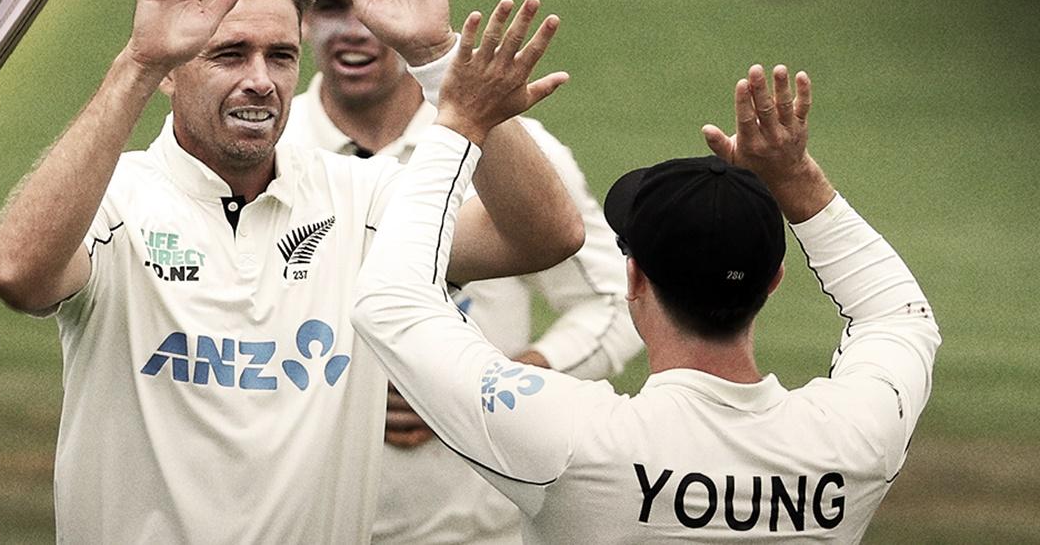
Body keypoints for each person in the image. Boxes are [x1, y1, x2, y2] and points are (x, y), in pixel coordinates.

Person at [0, 0, 584, 543]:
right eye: (228, 54)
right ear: (171, 69)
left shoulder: (362, 196)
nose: (260, 80)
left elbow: (544, 237)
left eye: (280, 56)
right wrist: (137, 63)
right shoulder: (117, 200)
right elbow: (17, 275)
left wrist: (435, 55)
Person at [352, 62, 941, 542]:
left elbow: (393, 304)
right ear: (774, 281)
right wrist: (797, 180)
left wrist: (459, 120)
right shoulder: (857, 437)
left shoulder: (571, 438)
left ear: (634, 279)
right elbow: (897, 315)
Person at [282, 0, 644, 543]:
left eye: (375, 1)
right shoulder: (267, 158)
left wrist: (492, 386)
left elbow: (616, 300)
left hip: (476, 530)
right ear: (305, 17)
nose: (355, 28)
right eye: (330, 4)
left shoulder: (509, 152)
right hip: (296, 521)